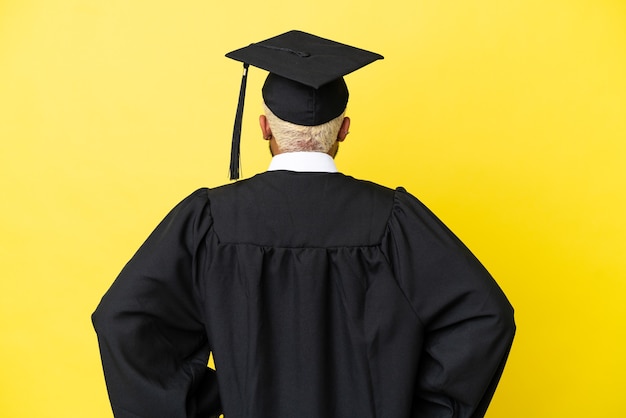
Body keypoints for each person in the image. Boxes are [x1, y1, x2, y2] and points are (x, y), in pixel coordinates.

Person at [92, 30, 515, 418]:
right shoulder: (395, 221)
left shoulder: (210, 219)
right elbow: (486, 316)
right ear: (344, 130)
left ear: (263, 129)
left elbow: (124, 320)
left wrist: (219, 394)